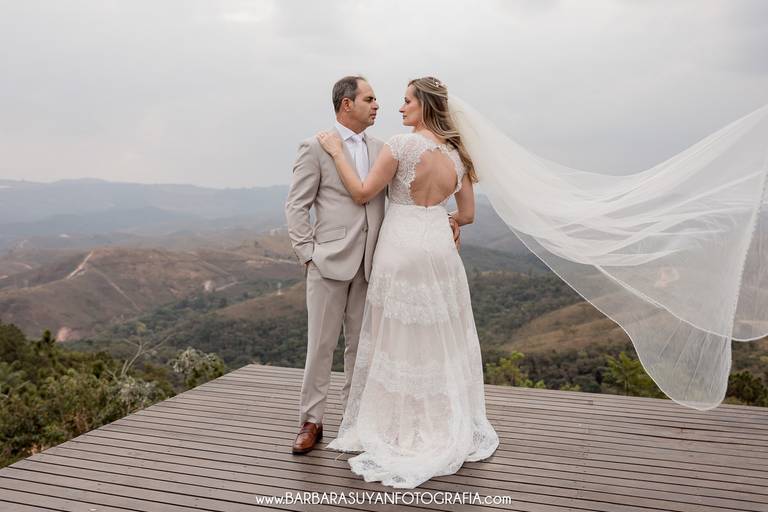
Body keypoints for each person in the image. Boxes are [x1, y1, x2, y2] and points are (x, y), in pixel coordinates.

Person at [316, 76, 499, 488]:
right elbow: (468, 214)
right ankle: (441, 420)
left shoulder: (400, 146)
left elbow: (363, 192)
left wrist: (336, 152)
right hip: (440, 249)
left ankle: (398, 424)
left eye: (406, 101)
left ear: (424, 106)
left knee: (396, 337)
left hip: (400, 249)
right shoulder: (458, 155)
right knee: (437, 336)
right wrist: (448, 220)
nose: (399, 108)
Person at [284, 75, 462, 455]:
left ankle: (354, 420)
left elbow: (410, 196)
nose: (377, 105)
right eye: (369, 99)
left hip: (374, 263)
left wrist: (446, 219)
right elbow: (297, 206)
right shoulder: (315, 147)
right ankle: (311, 421)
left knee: (362, 348)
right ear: (347, 104)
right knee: (321, 346)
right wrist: (308, 255)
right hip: (328, 263)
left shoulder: (386, 147)